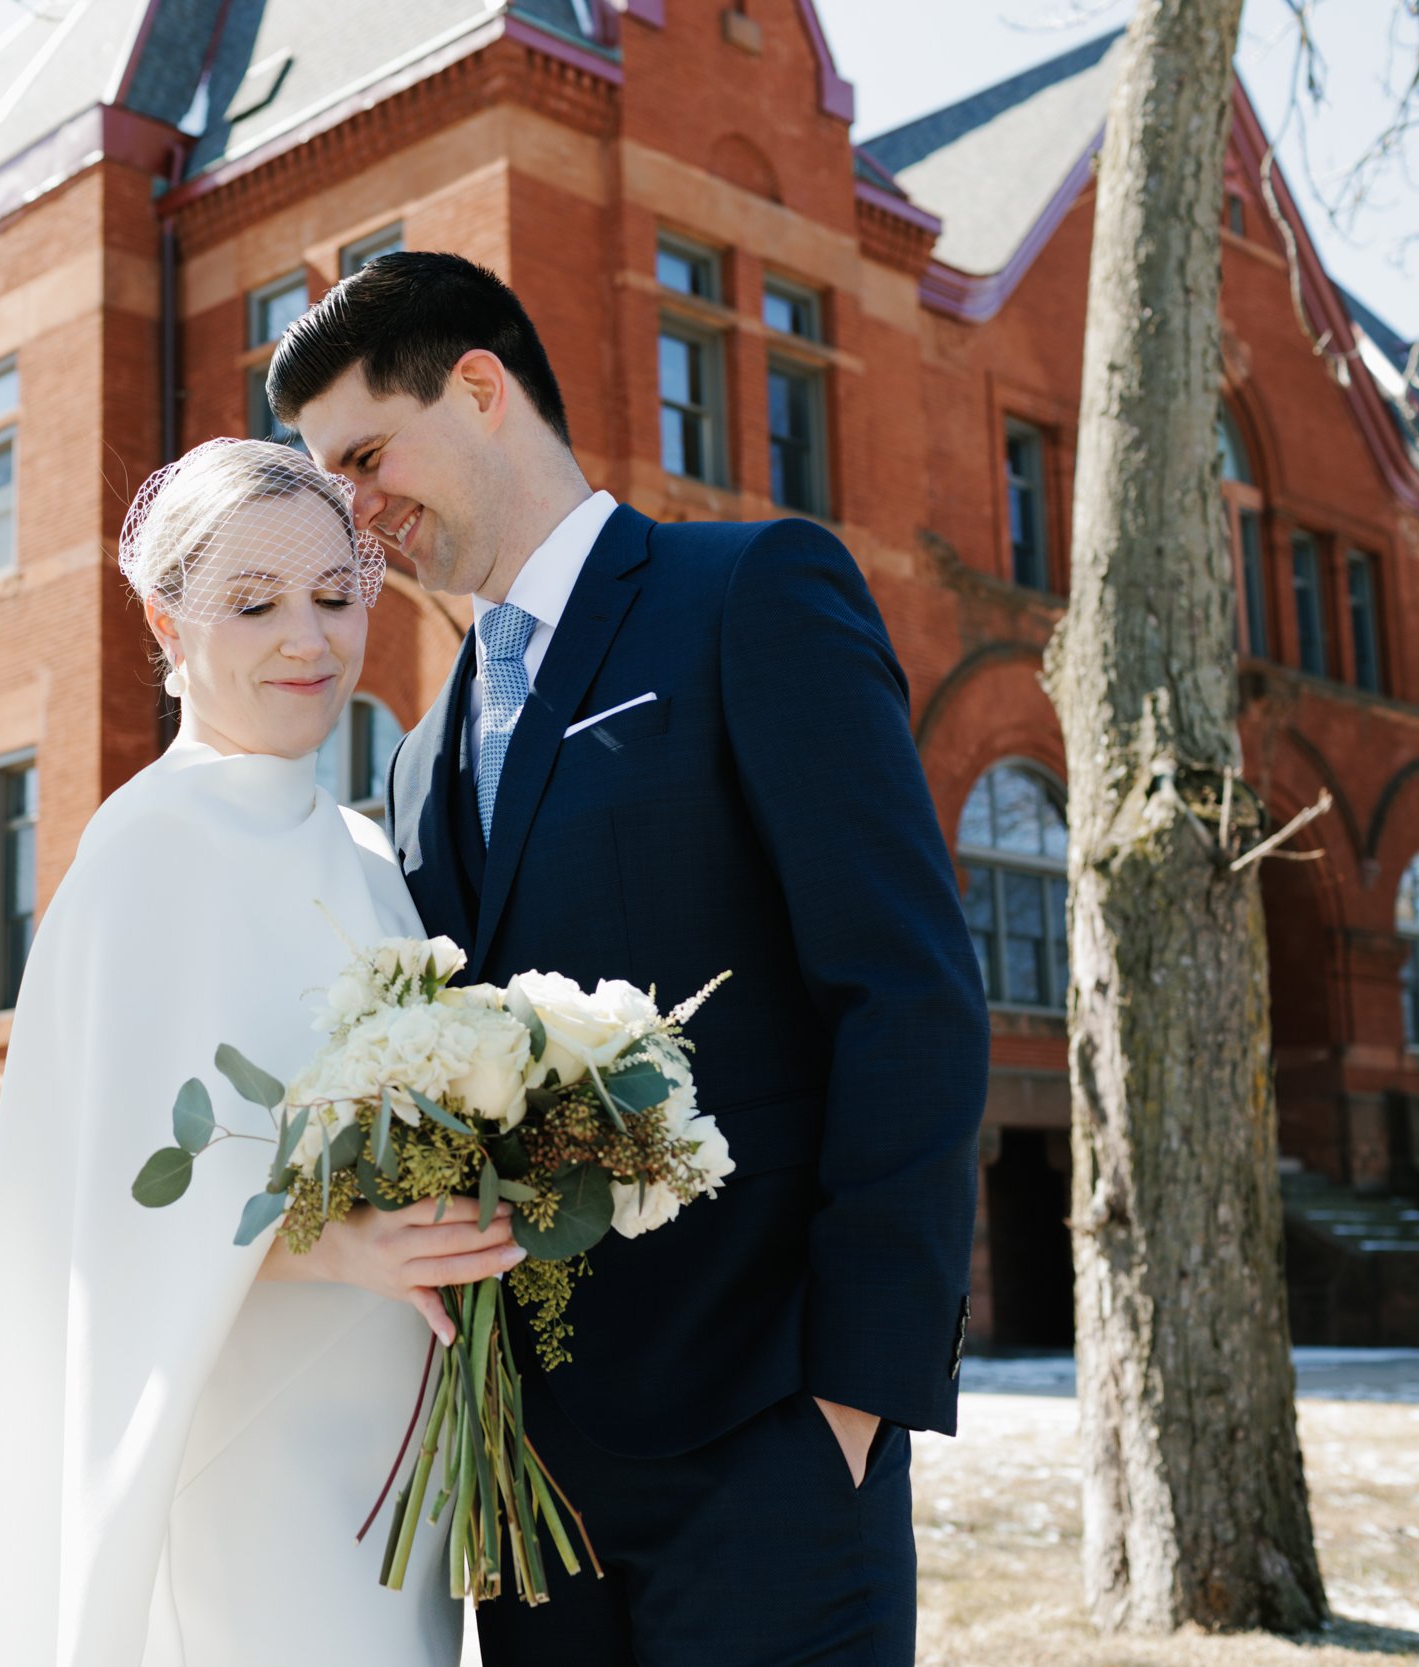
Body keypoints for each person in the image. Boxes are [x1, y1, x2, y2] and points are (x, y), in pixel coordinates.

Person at [269, 252, 987, 1667]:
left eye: (362, 456)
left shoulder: (751, 593)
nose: (350, 518)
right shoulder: (415, 764)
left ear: (479, 388)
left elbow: (904, 993)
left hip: (769, 1443)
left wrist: (855, 1393)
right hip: (531, 1494)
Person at [0, 439, 502, 1667]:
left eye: (335, 595)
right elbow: (106, 1208)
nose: (308, 638)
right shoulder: (147, 848)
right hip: (240, 1448)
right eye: (254, 604)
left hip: (389, 1451)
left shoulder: (359, 851)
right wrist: (337, 1242)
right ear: (165, 621)